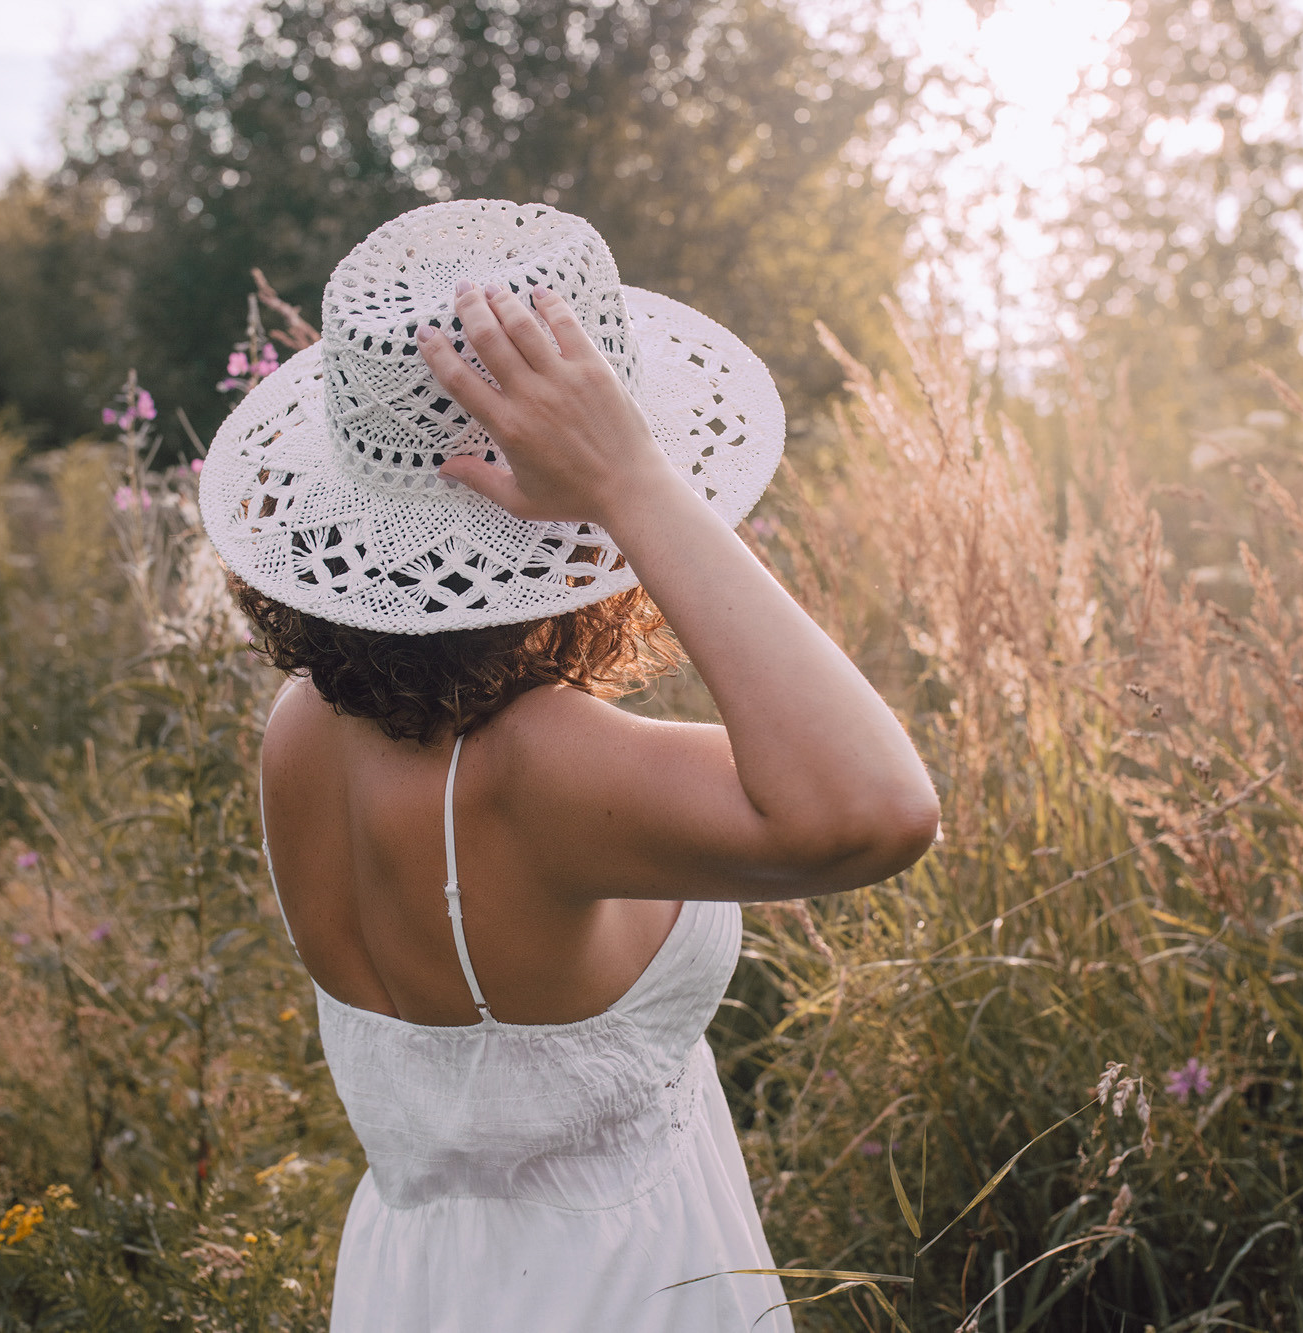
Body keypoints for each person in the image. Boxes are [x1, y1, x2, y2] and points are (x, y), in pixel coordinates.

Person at [200, 200, 938, 1332]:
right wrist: (636, 488)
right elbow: (875, 809)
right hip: (624, 1286)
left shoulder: (300, 725)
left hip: (410, 1280)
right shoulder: (543, 768)